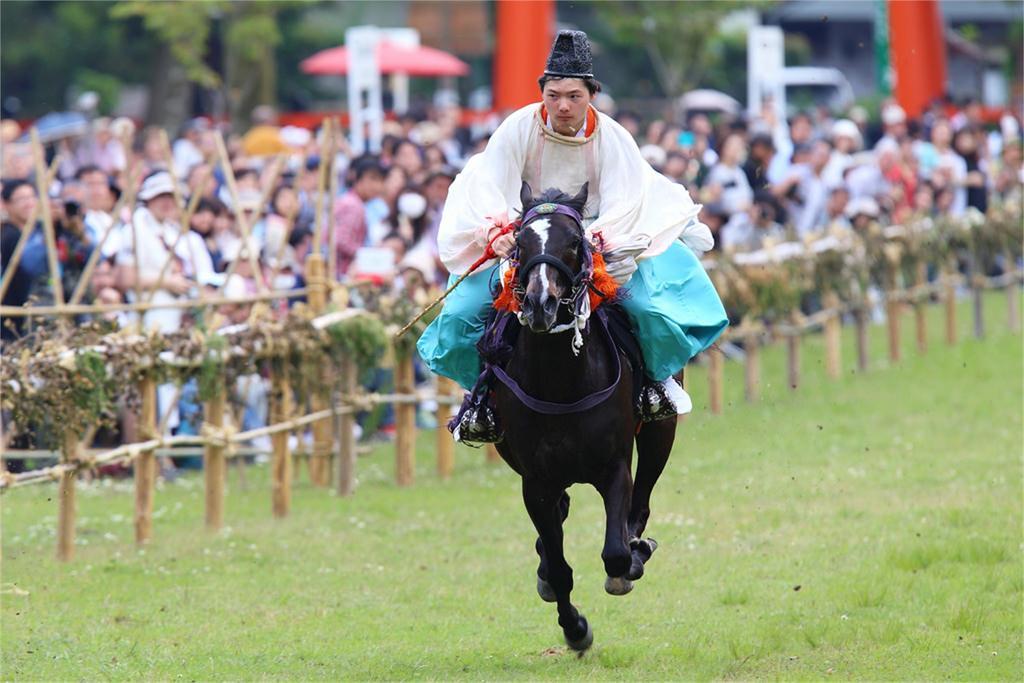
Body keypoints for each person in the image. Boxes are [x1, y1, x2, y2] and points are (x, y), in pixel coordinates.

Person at [417, 30, 728, 444]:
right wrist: (497, 230)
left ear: (592, 94)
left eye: (574, 96)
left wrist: (590, 238)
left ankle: (655, 385)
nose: (563, 105)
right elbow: (489, 184)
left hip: (599, 246)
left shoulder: (613, 138)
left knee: (651, 312)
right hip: (526, 245)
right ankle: (481, 401)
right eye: (554, 94)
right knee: (458, 318)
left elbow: (626, 200)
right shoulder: (516, 129)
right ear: (542, 92)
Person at [332, 156, 385, 280]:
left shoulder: (350, 201)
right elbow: (340, 240)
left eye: (380, 180)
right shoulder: (353, 206)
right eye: (372, 179)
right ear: (357, 179)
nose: (377, 186)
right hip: (340, 273)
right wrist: (369, 255)